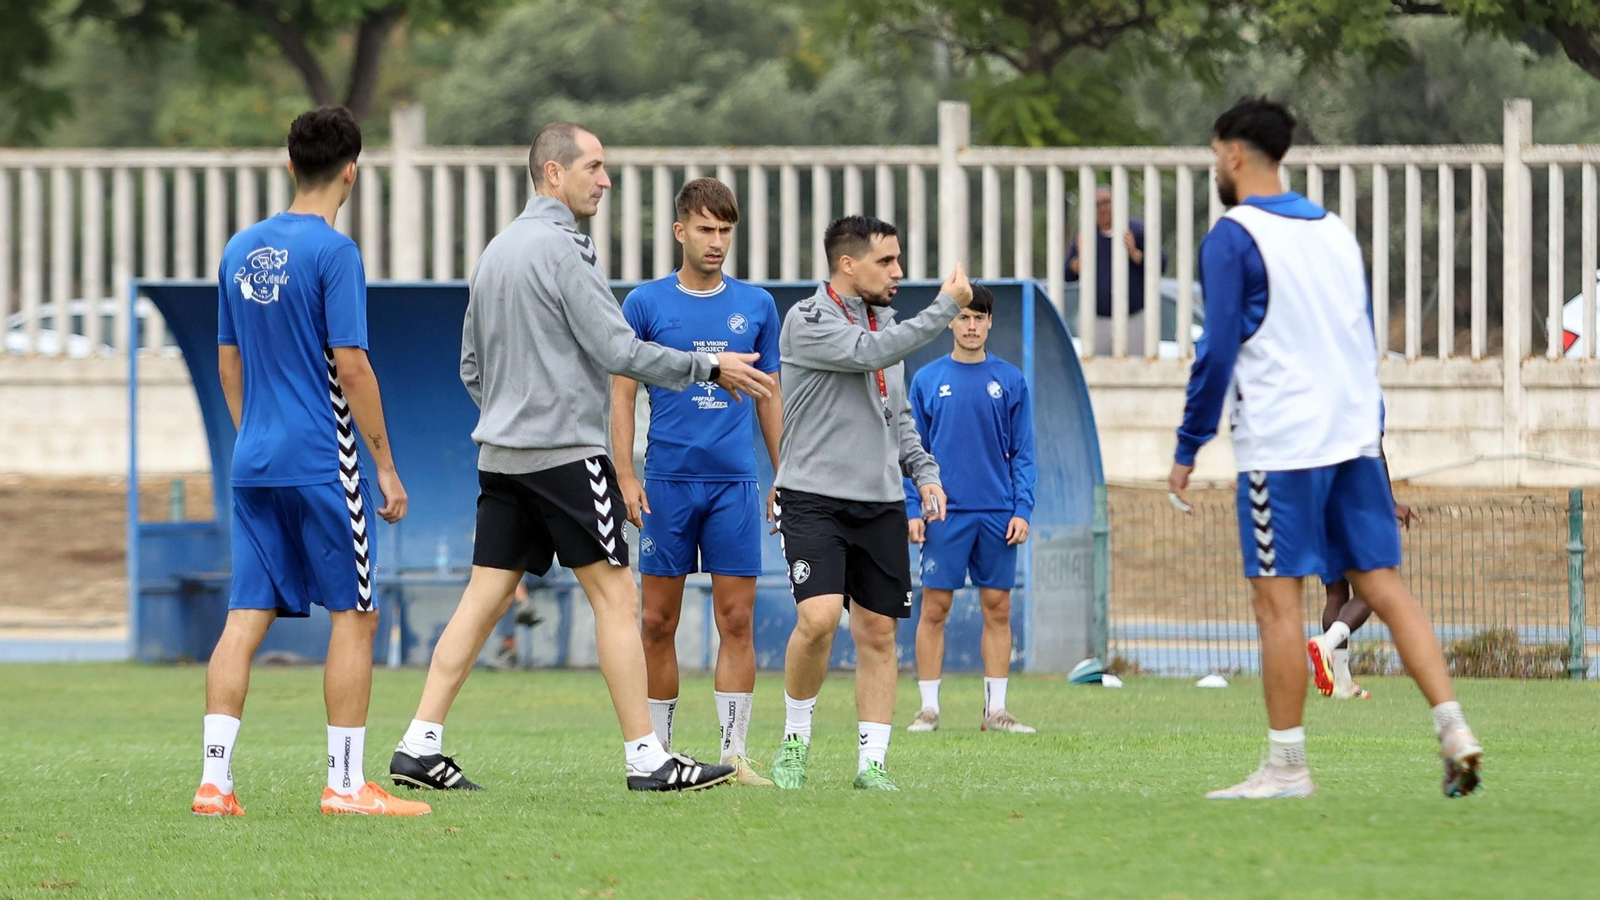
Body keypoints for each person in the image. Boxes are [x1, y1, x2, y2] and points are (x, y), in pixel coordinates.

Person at [387, 122, 774, 794]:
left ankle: (418, 744)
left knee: (485, 596)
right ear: (553, 173)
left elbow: (470, 365)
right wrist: (710, 367)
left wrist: (511, 414)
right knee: (617, 598)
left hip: (501, 457)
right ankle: (648, 758)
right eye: (593, 166)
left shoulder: (496, 250)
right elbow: (619, 350)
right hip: (564, 456)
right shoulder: (567, 251)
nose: (605, 180)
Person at [1167, 97, 1484, 800]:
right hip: (1353, 437)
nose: (1216, 165)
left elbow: (1216, 350)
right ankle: (1454, 726)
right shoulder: (1335, 230)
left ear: (1233, 154)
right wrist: (1371, 434)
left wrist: (1189, 443)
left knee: (1277, 606)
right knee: (1384, 587)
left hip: (1281, 443)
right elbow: (1359, 340)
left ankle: (1286, 769)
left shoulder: (1232, 236)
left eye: (1215, 154)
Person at [196, 106, 429, 817]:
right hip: (323, 459)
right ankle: (346, 784)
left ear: (289, 163)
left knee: (244, 615)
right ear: (351, 171)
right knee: (355, 616)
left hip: (254, 461)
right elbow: (351, 366)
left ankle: (214, 783)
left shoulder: (239, 248)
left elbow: (228, 362)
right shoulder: (335, 253)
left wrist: (256, 435)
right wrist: (385, 466)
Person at [768, 215, 974, 792]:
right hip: (812, 496)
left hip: (880, 501)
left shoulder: (886, 324)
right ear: (847, 264)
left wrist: (925, 473)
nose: (898, 272)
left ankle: (872, 765)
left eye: (898, 259)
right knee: (818, 619)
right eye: (886, 261)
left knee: (879, 632)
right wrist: (946, 307)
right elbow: (868, 354)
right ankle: (794, 742)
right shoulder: (808, 319)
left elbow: (897, 413)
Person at [611, 177, 783, 786]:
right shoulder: (644, 304)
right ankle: (658, 754)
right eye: (706, 229)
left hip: (734, 485)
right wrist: (624, 473)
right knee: (657, 622)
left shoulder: (757, 305)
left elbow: (769, 395)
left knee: (736, 620)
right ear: (680, 230)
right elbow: (622, 393)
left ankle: (734, 757)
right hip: (667, 484)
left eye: (725, 230)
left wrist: (783, 474)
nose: (716, 241)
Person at [901, 285, 1038, 735]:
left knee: (998, 607)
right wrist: (913, 507)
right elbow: (910, 450)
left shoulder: (1011, 381)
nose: (972, 325)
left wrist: (1022, 508)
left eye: (979, 317)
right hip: (943, 514)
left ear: (990, 322)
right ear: (950, 322)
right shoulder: (927, 380)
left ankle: (996, 711)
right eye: (963, 317)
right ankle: (928, 710)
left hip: (997, 512)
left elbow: (1023, 452)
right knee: (935, 606)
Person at [1308, 445, 1420, 699]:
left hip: (1321, 503)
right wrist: (1390, 502)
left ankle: (1342, 683)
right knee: (1372, 591)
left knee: (1336, 593)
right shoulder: (1364, 416)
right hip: (1356, 504)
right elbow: (1375, 449)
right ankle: (1326, 644)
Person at [1065, 185, 1165, 357]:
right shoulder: (1087, 235)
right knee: (1095, 369)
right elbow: (1067, 274)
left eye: (1106, 202)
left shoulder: (1136, 230)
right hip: (1098, 320)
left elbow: (1161, 264)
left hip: (1134, 318)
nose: (1102, 209)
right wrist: (1081, 258)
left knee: (1137, 368)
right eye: (1096, 205)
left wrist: (1134, 253)